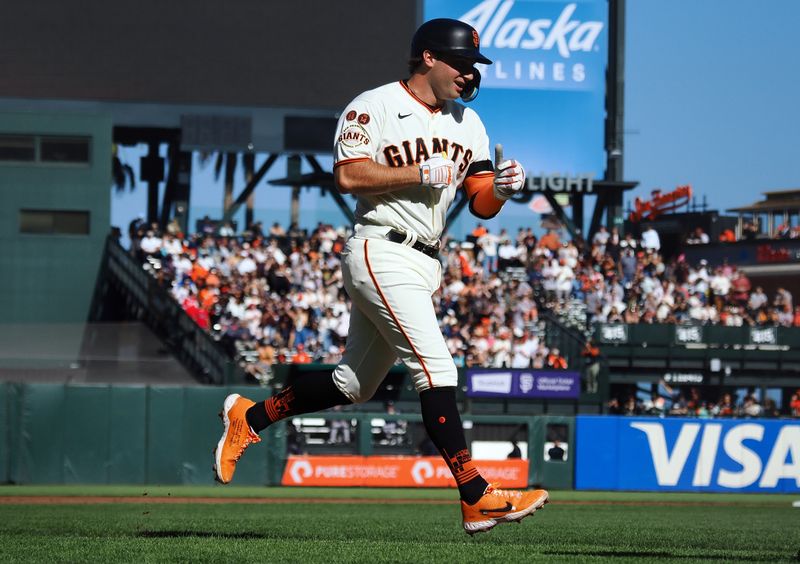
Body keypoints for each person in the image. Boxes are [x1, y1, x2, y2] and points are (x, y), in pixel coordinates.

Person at [213, 18, 548, 535]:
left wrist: (502, 189)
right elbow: (347, 175)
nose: (468, 75)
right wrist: (418, 172)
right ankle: (475, 494)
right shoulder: (373, 105)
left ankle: (250, 418)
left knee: (353, 384)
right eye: (460, 64)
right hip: (380, 247)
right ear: (429, 58)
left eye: (473, 66)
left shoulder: (469, 124)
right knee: (437, 369)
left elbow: (480, 203)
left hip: (426, 260)